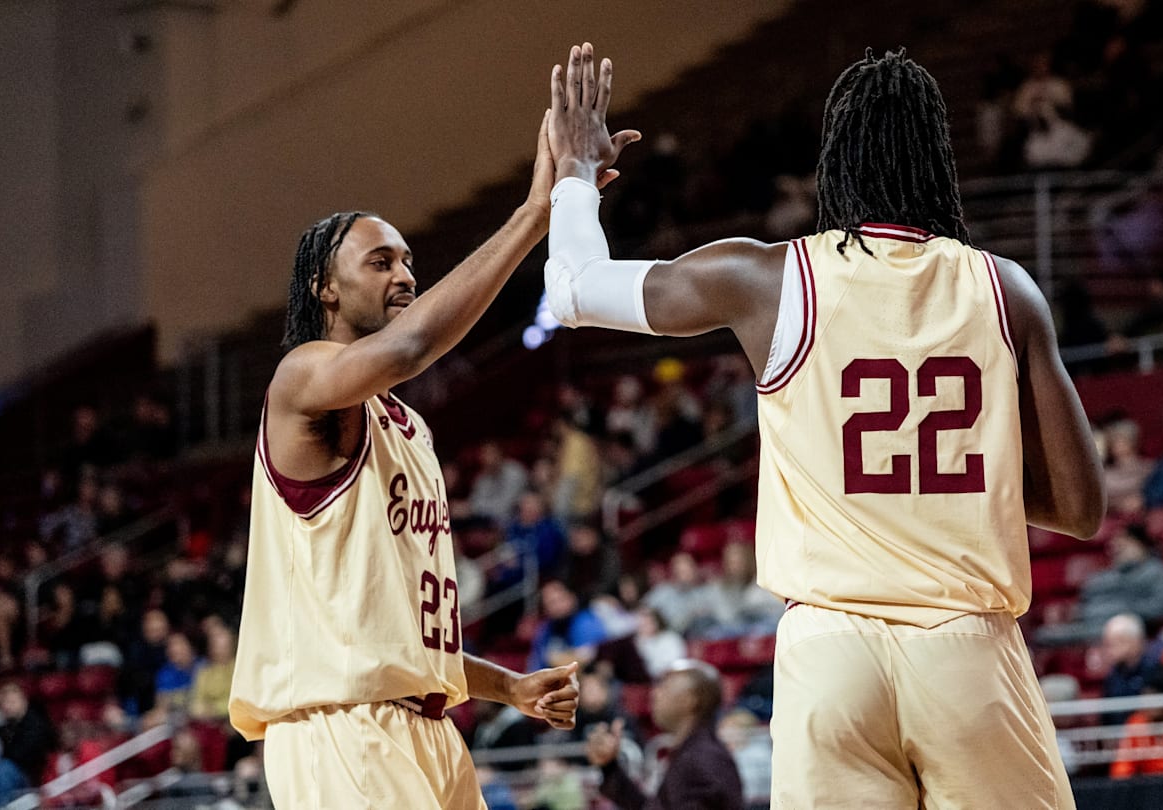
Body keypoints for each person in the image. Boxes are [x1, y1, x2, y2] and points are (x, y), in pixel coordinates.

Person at [544, 44, 1101, 807]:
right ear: (940, 159)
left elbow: (574, 291)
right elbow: (1079, 505)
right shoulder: (1006, 290)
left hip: (828, 651)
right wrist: (957, 482)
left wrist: (574, 177)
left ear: (834, 159)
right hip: (967, 650)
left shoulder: (768, 278)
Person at [227, 109, 615, 808]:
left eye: (409, 261)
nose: (404, 275)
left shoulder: (405, 425)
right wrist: (534, 214)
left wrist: (509, 687)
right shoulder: (303, 380)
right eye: (381, 263)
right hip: (341, 731)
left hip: (427, 727)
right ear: (325, 287)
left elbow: (394, 635)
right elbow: (409, 349)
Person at [586, 660, 744, 810]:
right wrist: (609, 768)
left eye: (665, 686)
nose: (655, 693)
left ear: (690, 700)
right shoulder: (694, 753)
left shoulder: (703, 759)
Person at [1035, 524, 1163, 645]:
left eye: (1124, 542)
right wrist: (1071, 612)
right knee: (1043, 635)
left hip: (1126, 629)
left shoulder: (1160, 573)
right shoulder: (1102, 578)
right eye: (1115, 544)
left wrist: (1123, 613)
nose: (1116, 547)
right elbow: (1084, 606)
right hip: (1088, 626)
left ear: (1140, 544)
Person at [1100, 612, 1163, 727]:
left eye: (1117, 641)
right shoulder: (1113, 675)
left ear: (1135, 641)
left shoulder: (1157, 671)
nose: (1110, 649)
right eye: (1108, 643)